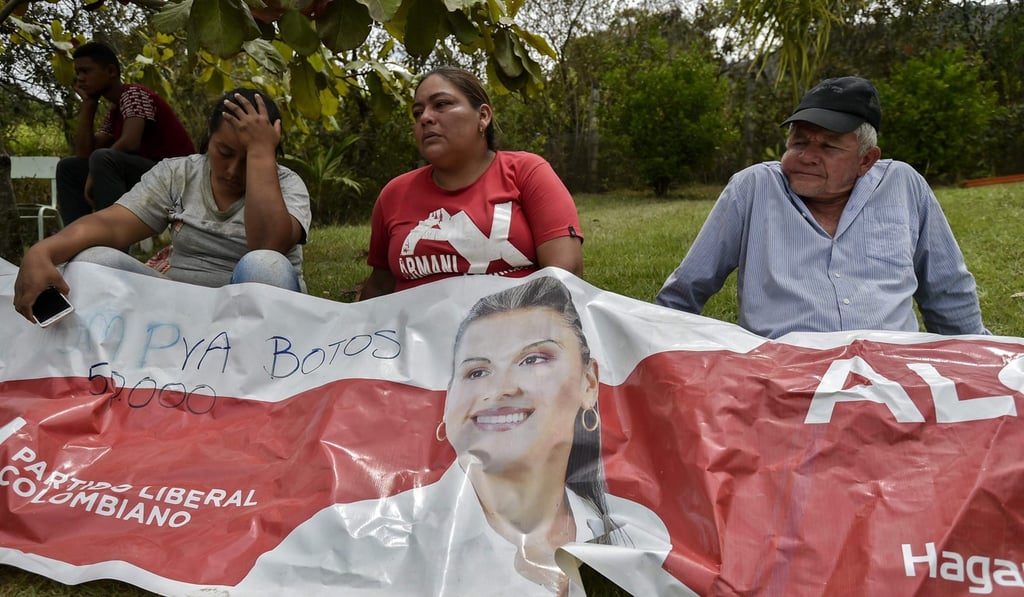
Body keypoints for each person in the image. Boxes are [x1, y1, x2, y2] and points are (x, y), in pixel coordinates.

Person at [234, 277, 688, 596]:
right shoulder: (349, 535)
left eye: (534, 360)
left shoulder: (636, 532)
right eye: (477, 370)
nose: (501, 388)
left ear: (590, 382)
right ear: (448, 406)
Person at [655, 76, 987, 339]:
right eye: (799, 142)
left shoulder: (903, 185)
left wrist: (979, 363)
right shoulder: (753, 188)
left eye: (828, 146)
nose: (808, 156)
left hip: (889, 373)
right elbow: (686, 290)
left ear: (866, 160)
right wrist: (655, 351)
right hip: (783, 375)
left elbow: (947, 289)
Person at [13, 88, 312, 324]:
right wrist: (42, 251)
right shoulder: (177, 174)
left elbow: (267, 243)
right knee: (95, 260)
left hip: (261, 329)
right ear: (209, 135)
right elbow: (112, 224)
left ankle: (262, 386)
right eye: (224, 152)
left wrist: (261, 153)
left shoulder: (288, 184)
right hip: (180, 318)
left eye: (248, 159)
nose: (233, 171)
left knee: (264, 265)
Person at [360, 66, 584, 299]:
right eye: (417, 112)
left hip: (516, 326)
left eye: (441, 104)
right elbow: (379, 285)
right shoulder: (394, 194)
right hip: (411, 333)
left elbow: (565, 273)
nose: (425, 118)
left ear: (483, 116)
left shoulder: (527, 172)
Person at [56, 40, 195, 224]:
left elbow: (130, 142)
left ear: (111, 71)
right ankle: (76, 240)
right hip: (151, 176)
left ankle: (110, 240)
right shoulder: (115, 111)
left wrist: (93, 172)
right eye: (78, 73)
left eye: (86, 71)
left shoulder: (133, 94)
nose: (80, 78)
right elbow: (84, 154)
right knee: (69, 167)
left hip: (178, 179)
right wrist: (89, 104)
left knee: (102, 158)